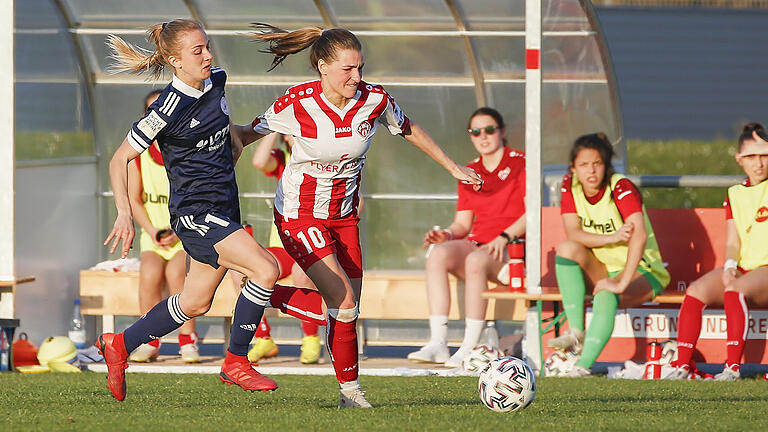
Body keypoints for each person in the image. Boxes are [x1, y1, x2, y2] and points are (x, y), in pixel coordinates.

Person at [232, 24, 483, 407]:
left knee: (346, 311)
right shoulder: (297, 103)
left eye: (360, 67)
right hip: (300, 215)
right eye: (348, 69)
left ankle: (345, 390)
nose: (357, 77)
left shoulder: (374, 100)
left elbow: (409, 128)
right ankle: (270, 299)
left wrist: (452, 168)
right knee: (343, 301)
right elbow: (245, 135)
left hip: (344, 217)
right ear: (322, 67)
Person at [97, 19, 327, 402]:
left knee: (195, 302)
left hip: (223, 209)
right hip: (196, 214)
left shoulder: (216, 79)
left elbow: (224, 129)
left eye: (207, 46)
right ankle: (236, 361)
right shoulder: (168, 107)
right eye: (198, 50)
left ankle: (119, 344)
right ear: (175, 61)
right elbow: (120, 158)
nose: (208, 55)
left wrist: (240, 136)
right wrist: (124, 211)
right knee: (266, 268)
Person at [407, 107, 526, 368]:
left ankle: (470, 347)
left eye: (489, 130)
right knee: (438, 253)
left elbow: (533, 213)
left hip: (512, 252)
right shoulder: (469, 170)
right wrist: (445, 235)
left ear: (502, 132)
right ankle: (438, 343)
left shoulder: (520, 162)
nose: (483, 136)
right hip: (479, 249)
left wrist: (504, 237)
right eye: (476, 132)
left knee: (475, 260)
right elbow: (463, 224)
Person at [547, 132, 670, 377]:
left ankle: (581, 367)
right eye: (583, 165)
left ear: (606, 165)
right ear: (573, 167)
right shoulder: (569, 184)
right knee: (566, 249)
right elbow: (573, 233)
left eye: (597, 164)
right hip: (603, 267)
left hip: (642, 271)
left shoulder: (621, 186)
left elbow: (640, 235)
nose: (590, 171)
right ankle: (576, 333)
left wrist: (622, 281)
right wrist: (612, 238)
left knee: (605, 293)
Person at [668, 123, 768, 381]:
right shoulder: (734, 194)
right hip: (746, 269)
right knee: (695, 292)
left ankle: (732, 368)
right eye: (751, 156)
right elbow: (732, 239)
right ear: (739, 159)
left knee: (735, 291)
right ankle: (682, 365)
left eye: (765, 155)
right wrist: (730, 265)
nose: (759, 163)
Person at [126, 90, 199, 363]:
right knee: (149, 275)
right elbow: (135, 200)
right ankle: (149, 340)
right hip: (153, 235)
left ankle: (187, 340)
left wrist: (176, 232)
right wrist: (153, 231)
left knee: (177, 274)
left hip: (184, 234)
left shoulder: (187, 153)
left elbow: (195, 199)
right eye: (152, 111)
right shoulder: (139, 156)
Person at [244, 132, 322, 365]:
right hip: (283, 245)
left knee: (302, 273)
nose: (294, 134)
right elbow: (258, 161)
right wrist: (276, 127)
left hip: (313, 243)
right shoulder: (282, 158)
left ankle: (311, 339)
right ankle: (263, 339)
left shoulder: (324, 158)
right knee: (243, 269)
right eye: (291, 129)